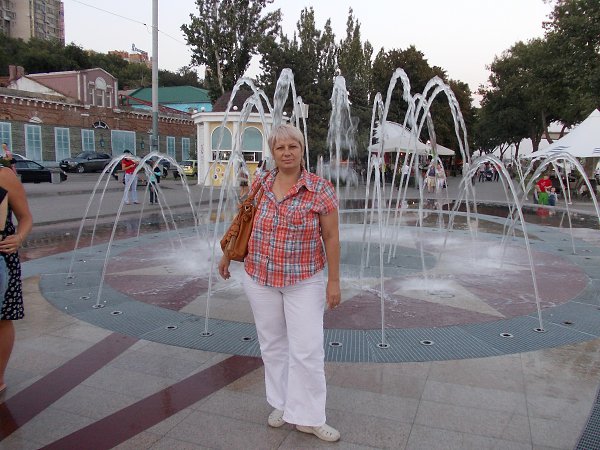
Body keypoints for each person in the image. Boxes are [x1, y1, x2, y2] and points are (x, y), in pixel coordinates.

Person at [218, 124, 341, 442]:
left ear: (302, 149)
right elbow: (243, 220)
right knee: (272, 345)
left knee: (307, 349)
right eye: (280, 147)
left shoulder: (320, 189)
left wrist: (333, 282)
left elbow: (331, 237)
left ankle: (310, 417)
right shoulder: (260, 182)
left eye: (292, 146)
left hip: (303, 280)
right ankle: (283, 404)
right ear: (272, 152)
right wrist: (227, 255)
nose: (287, 152)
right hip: (259, 277)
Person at [0, 166, 33, 397]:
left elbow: (25, 217)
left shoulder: (4, 176)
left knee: (1, 319)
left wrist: (19, 237)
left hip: (1, 256)